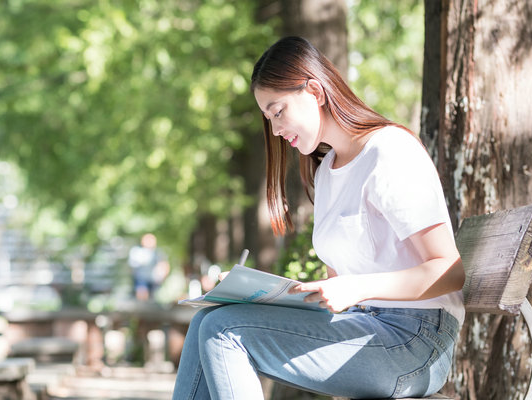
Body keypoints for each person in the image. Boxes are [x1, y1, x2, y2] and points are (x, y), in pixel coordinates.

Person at [172, 36, 465, 399]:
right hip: (363, 327)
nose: (276, 130)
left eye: (278, 111)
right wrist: (266, 296)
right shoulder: (327, 171)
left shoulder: (389, 151)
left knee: (224, 331)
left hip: (416, 341)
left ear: (315, 90)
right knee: (207, 320)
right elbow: (336, 295)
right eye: (268, 118)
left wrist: (356, 287)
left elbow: (450, 271)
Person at [127, 233, 170, 300]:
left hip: (154, 279)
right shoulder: (137, 251)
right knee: (142, 295)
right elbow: (132, 266)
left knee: (152, 298)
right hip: (141, 278)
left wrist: (162, 276)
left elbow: (163, 264)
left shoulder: (157, 252)